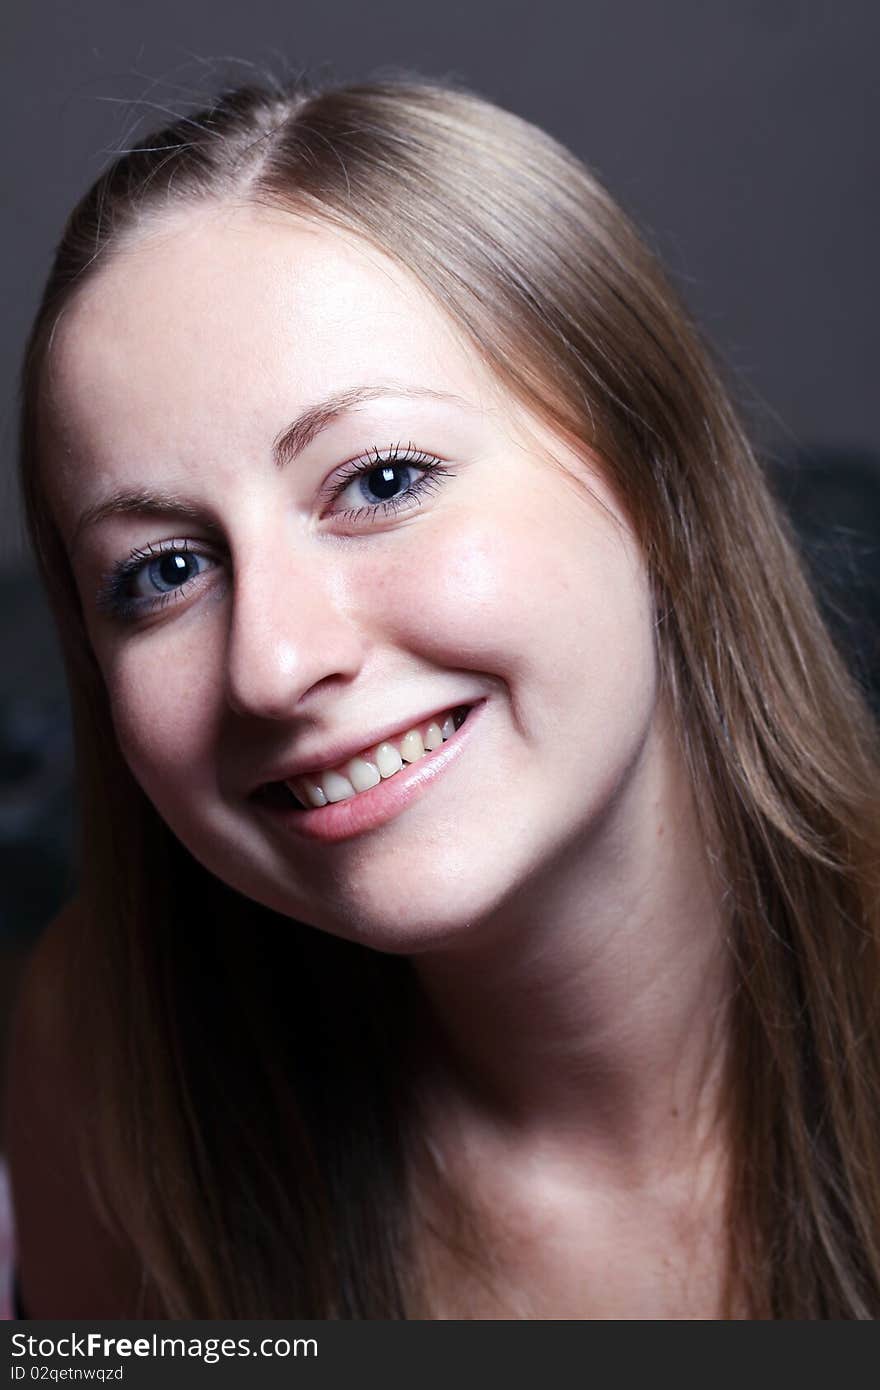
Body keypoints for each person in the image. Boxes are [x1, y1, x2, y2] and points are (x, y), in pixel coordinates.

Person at [6, 71, 880, 1321]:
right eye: (165, 569)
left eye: (378, 481)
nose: (272, 662)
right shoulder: (102, 1055)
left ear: (657, 482)